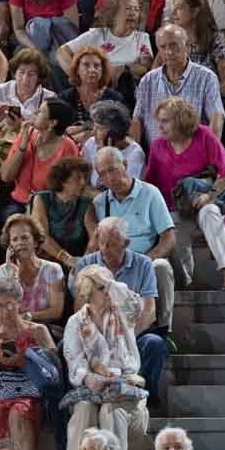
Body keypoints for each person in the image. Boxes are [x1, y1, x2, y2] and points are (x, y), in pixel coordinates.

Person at [143, 96, 225, 289]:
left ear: (180, 120)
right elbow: (150, 184)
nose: (160, 126)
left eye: (165, 121)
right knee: (172, 226)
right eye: (159, 121)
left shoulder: (204, 135)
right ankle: (186, 281)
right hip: (176, 207)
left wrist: (209, 196)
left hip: (205, 202)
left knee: (210, 213)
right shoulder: (158, 146)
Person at [62, 266, 150, 450]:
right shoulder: (76, 322)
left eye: (109, 285)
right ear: (88, 292)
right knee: (84, 409)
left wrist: (109, 282)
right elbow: (75, 362)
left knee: (110, 410)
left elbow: (137, 305)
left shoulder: (123, 313)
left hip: (127, 388)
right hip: (93, 389)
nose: (109, 291)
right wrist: (88, 377)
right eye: (102, 288)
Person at [88, 154, 177, 361]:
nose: (109, 178)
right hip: (113, 262)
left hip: (145, 259)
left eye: (112, 169)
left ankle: (164, 330)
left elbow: (169, 237)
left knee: (161, 267)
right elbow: (96, 240)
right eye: (102, 174)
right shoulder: (100, 203)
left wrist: (146, 260)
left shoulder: (149, 193)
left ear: (125, 164)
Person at [0, 280, 57, 450]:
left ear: (20, 303)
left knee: (19, 412)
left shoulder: (37, 331)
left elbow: (54, 368)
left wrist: (24, 361)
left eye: (9, 304)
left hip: (31, 390)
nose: (5, 310)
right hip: (0, 391)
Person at [130, 25, 225, 148]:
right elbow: (137, 120)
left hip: (194, 157)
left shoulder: (206, 77)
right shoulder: (148, 80)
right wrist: (135, 153)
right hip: (157, 158)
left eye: (174, 45)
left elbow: (216, 117)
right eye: (163, 47)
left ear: (187, 46)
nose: (169, 52)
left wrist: (211, 152)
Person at [57, 0, 154, 96]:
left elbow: (145, 68)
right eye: (128, 8)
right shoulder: (98, 34)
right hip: (93, 87)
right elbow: (62, 52)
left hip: (127, 92)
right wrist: (76, 75)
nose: (133, 13)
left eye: (136, 9)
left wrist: (124, 69)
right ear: (114, 12)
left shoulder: (142, 38)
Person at [1, 100, 79, 217]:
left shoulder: (68, 147)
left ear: (52, 123)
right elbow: (6, 177)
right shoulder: (26, 135)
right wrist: (22, 146)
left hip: (50, 206)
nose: (35, 113)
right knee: (9, 215)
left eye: (41, 111)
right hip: (19, 203)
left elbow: (70, 188)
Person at [0, 214, 66, 329]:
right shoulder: (2, 272)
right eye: (15, 239)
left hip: (46, 328)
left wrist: (28, 317)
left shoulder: (53, 269)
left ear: (36, 241)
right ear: (10, 246)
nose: (20, 243)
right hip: (13, 329)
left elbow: (56, 311)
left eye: (24, 237)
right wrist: (13, 275)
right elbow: (4, 311)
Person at [29, 156, 98, 266]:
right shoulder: (42, 199)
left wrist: (84, 262)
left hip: (77, 259)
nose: (83, 182)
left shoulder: (86, 204)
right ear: (62, 181)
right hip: (46, 260)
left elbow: (94, 237)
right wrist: (66, 258)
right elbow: (42, 237)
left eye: (84, 178)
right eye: (77, 178)